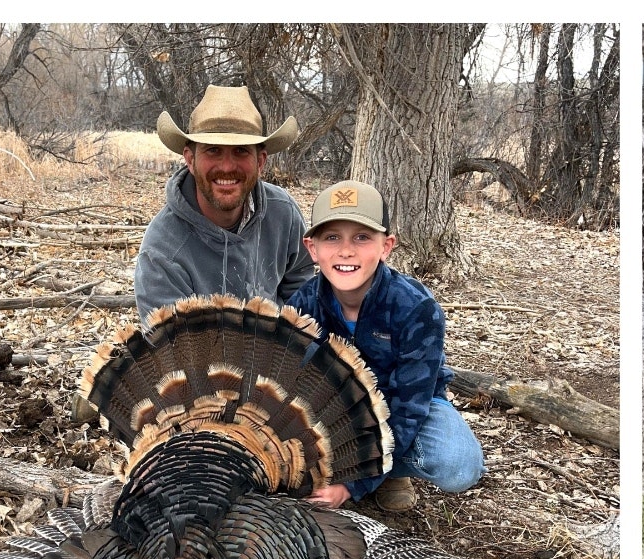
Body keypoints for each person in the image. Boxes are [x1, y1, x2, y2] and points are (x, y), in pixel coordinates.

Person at [287, 180, 484, 512]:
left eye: (362, 237)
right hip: (335, 412)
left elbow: (410, 409)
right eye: (332, 237)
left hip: (401, 405)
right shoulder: (302, 306)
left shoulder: (416, 308)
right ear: (312, 248)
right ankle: (350, 468)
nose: (346, 250)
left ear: (386, 246)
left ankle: (389, 473)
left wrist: (352, 485)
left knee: (458, 465)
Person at [135, 85, 313, 320]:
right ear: (190, 159)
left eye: (240, 150)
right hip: (203, 356)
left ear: (260, 161)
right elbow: (172, 346)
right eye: (213, 150)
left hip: (279, 352)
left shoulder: (284, 213)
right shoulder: (162, 249)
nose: (227, 166)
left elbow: (301, 294)